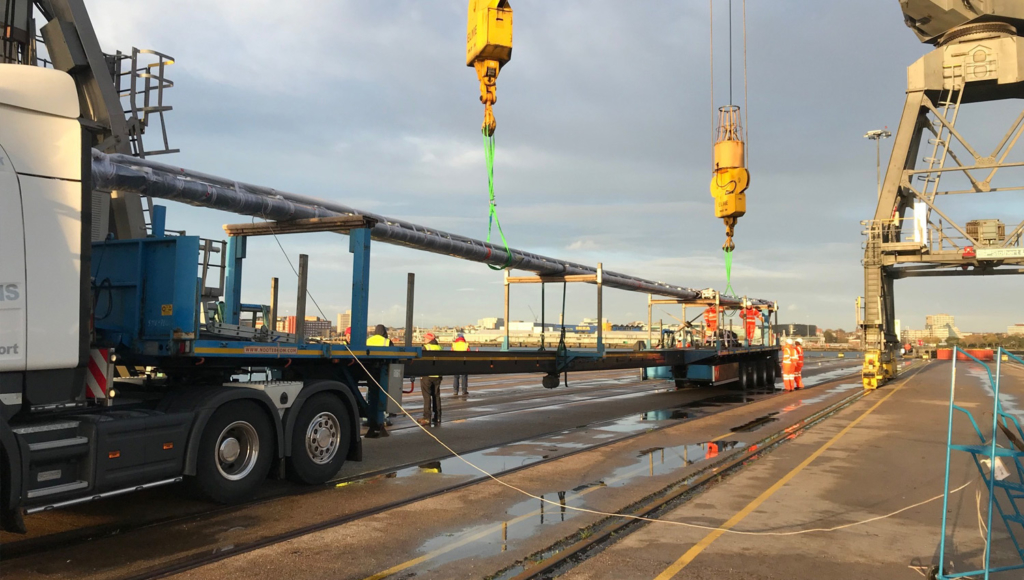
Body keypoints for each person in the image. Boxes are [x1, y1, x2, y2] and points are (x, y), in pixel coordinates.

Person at [419, 333, 443, 426]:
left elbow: (422, 362)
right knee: (436, 396)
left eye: (425, 338)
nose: (424, 339)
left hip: (427, 375)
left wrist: (420, 373)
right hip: (437, 375)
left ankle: (427, 417)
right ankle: (438, 417)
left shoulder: (426, 347)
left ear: (429, 339)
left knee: (427, 396)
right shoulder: (439, 348)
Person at [451, 332, 470, 397]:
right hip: (464, 363)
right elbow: (469, 353)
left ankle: (455, 391)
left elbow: (451, 353)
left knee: (456, 377)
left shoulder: (454, 345)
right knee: (464, 377)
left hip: (456, 362)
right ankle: (464, 391)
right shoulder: (466, 345)